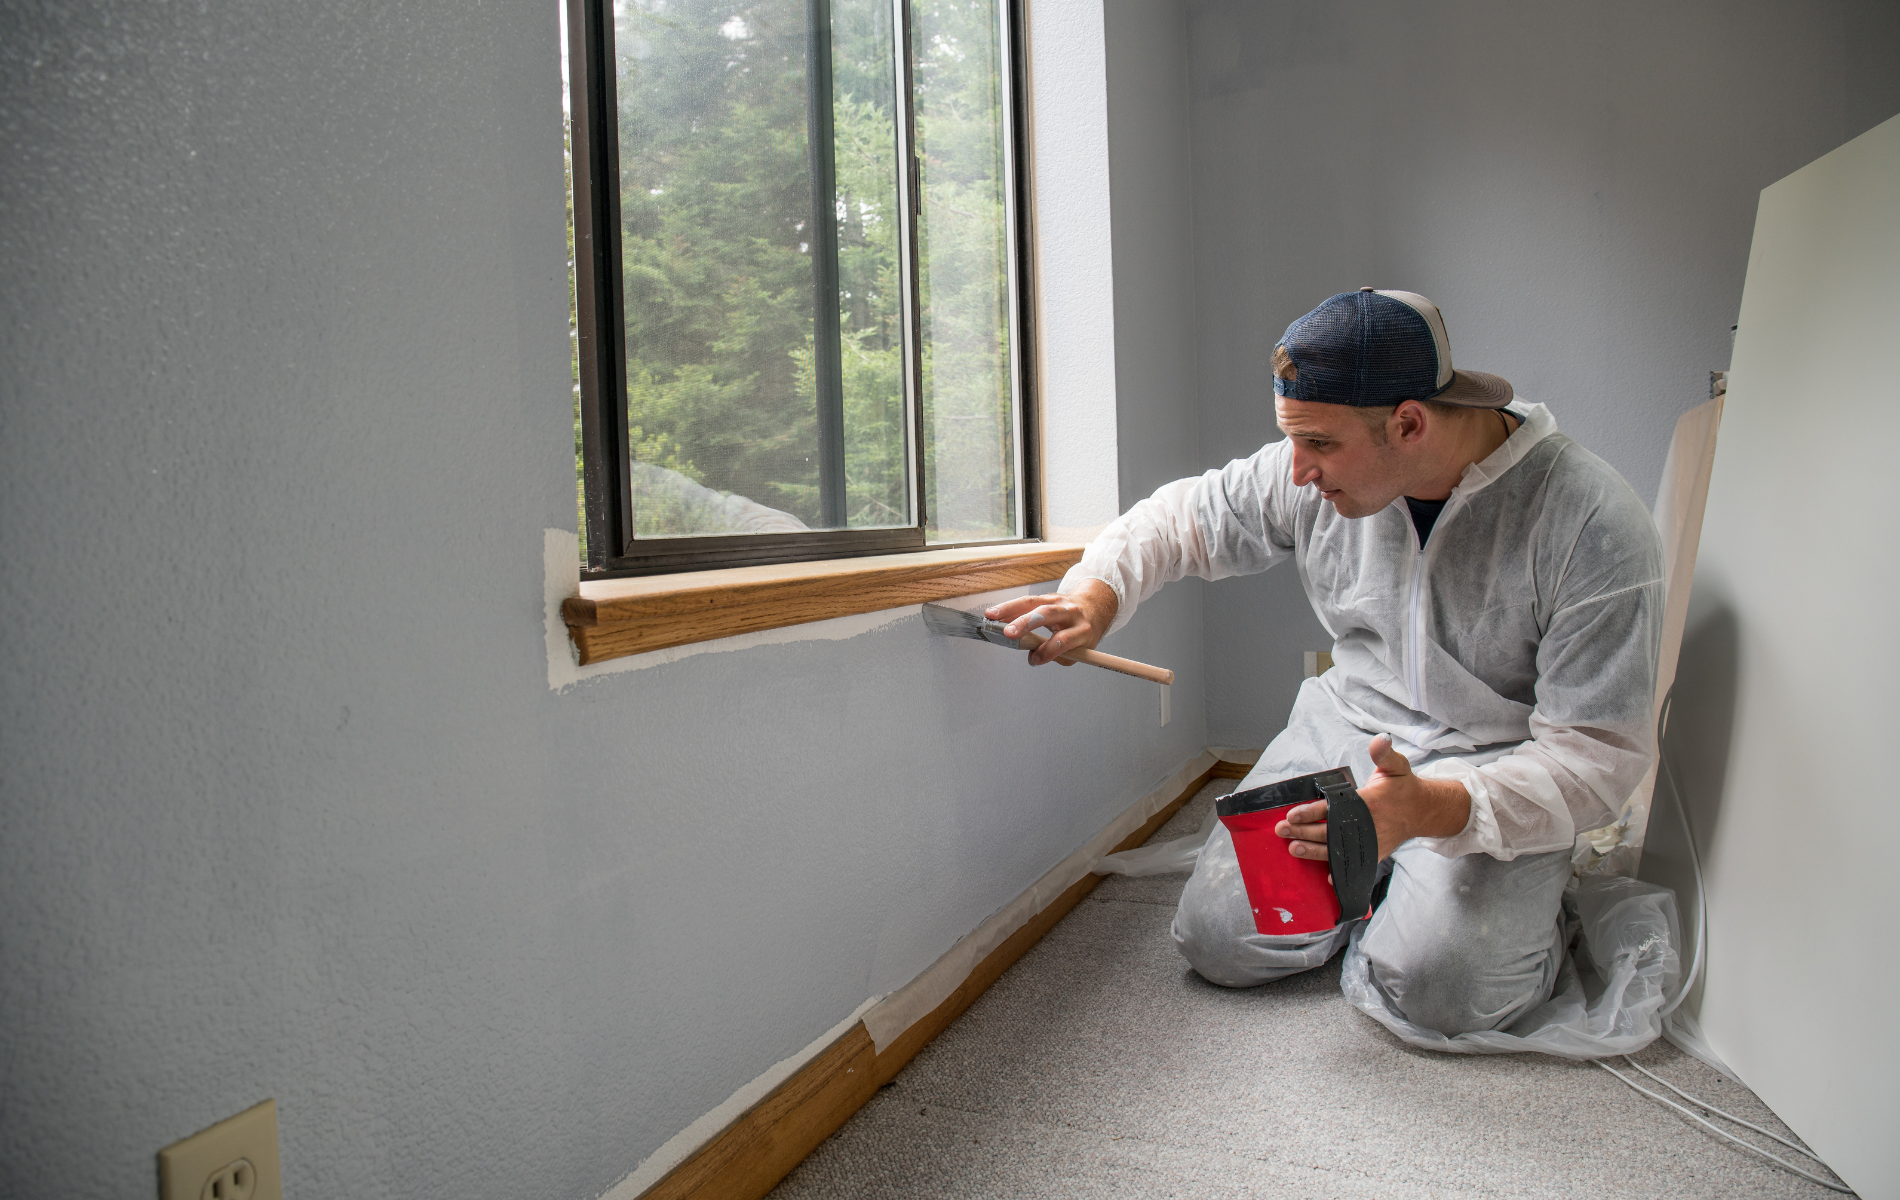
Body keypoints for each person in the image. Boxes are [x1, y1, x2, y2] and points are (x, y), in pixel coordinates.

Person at [987, 288, 1664, 1037]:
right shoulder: (1305, 469)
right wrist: (1095, 597)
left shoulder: (1590, 519)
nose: (1298, 469)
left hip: (1493, 766)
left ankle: (1478, 897)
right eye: (1292, 441)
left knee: (1445, 994)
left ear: (1408, 423)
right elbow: (1181, 519)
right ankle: (1384, 878)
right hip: (1350, 730)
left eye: (1319, 443)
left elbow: (1599, 755)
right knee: (1219, 940)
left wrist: (1428, 812)